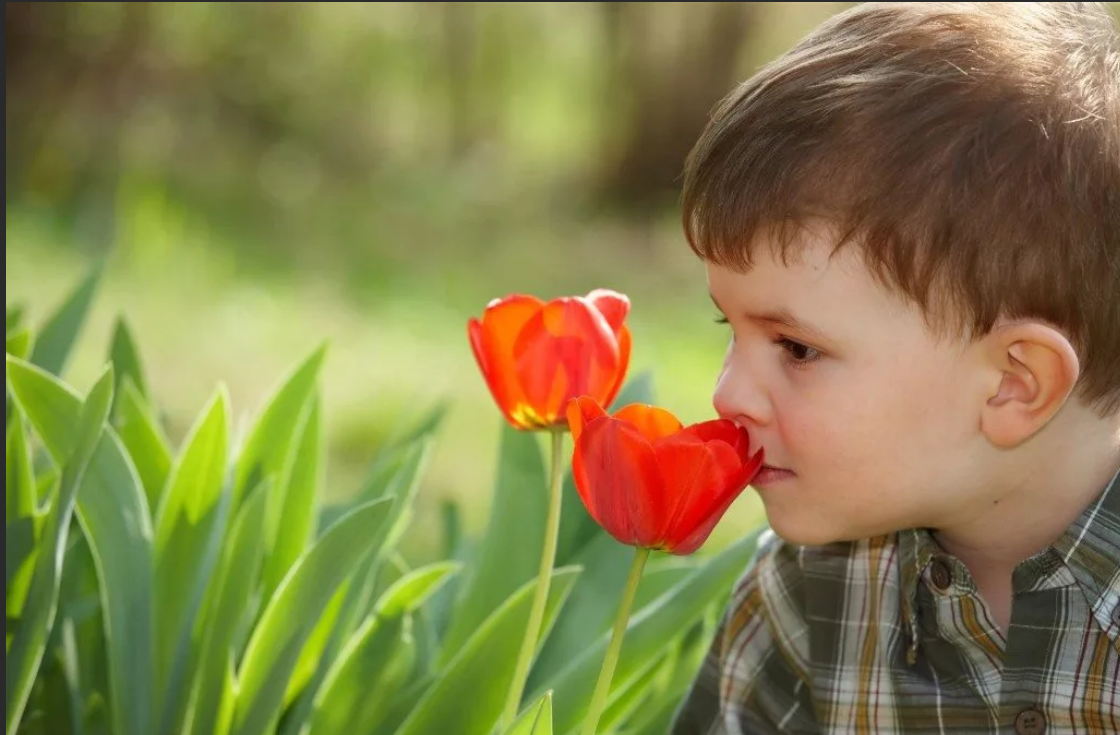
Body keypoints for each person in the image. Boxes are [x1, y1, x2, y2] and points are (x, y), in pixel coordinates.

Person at [669, 2, 1120, 733]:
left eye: (796, 347)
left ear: (1014, 382)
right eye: (732, 326)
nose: (727, 395)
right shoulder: (805, 597)